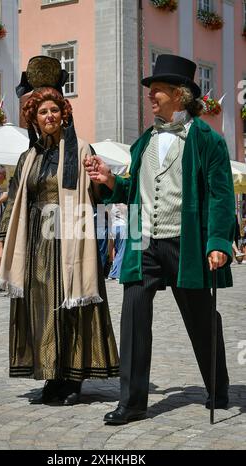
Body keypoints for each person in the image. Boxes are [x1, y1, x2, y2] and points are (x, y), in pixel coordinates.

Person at [84, 54, 235, 424]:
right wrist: (108, 182)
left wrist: (217, 240)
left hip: (186, 244)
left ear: (180, 95)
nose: (150, 98)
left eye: (158, 92)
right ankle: (132, 402)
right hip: (142, 241)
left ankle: (217, 387)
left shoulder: (207, 140)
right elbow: (133, 189)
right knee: (133, 316)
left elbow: (220, 194)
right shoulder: (142, 144)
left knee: (200, 318)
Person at [0, 56, 119, 405]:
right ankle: (50, 373)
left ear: (64, 115)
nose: (48, 117)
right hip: (34, 241)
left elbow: (98, 194)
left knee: (68, 305)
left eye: (53, 111)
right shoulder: (27, 158)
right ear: (33, 118)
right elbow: (14, 200)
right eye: (41, 112)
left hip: (70, 238)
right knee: (40, 307)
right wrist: (1, 244)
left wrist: (103, 182)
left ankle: (70, 377)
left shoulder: (80, 150)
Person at [107, 203, 127, 280]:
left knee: (117, 250)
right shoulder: (123, 205)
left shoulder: (111, 205)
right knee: (121, 251)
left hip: (114, 227)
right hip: (122, 227)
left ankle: (113, 272)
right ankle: (116, 274)